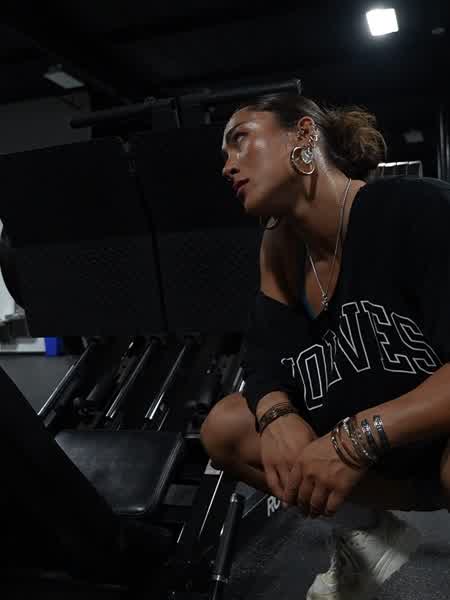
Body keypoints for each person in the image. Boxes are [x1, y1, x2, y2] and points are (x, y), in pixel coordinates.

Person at [200, 92, 450, 600]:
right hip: (389, 465)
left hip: (435, 441)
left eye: (241, 140)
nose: (227, 166)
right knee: (226, 429)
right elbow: (264, 356)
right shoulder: (280, 248)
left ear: (304, 134)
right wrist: (275, 413)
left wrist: (353, 442)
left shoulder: (418, 208)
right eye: (225, 154)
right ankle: (369, 532)